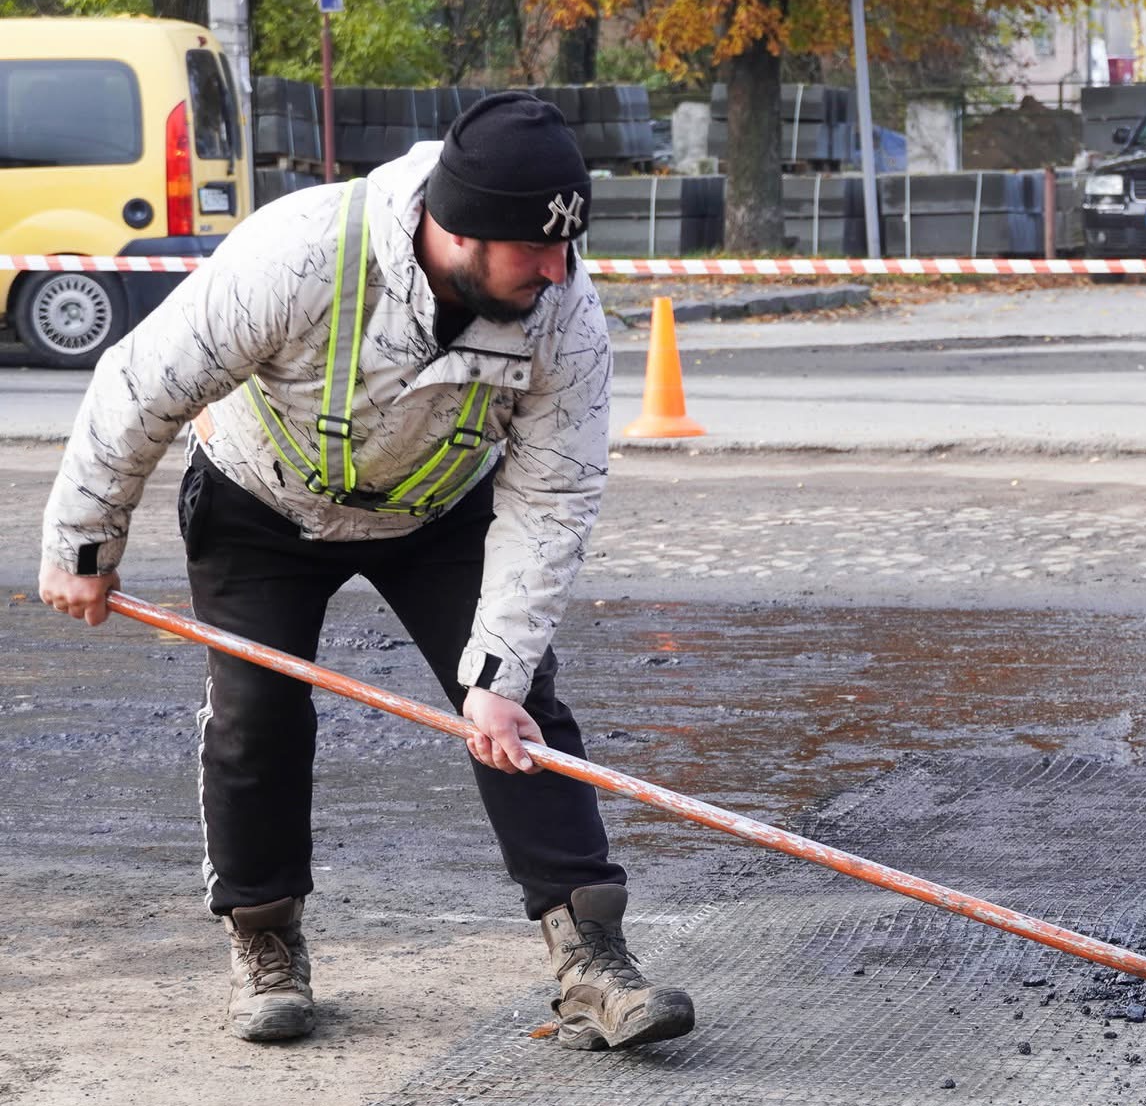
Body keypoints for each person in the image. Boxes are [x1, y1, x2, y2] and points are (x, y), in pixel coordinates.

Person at [38, 91, 694, 1050]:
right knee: (255, 713)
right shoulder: (301, 252)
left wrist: (496, 674)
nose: (559, 271)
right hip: (263, 504)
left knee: (523, 715)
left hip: (439, 511)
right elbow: (142, 383)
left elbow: (553, 498)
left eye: (568, 247)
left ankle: (590, 952)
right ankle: (266, 942)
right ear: (457, 228)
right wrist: (84, 548)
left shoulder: (563, 311)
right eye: (536, 251)